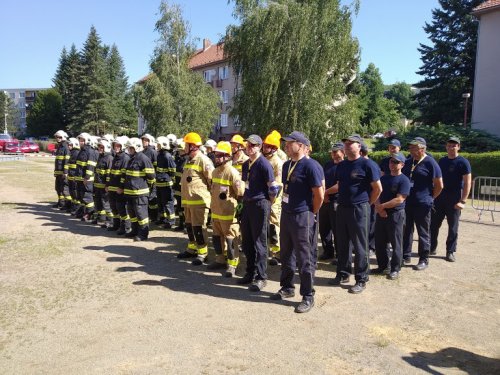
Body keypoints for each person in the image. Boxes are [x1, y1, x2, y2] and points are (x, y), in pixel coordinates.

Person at [270, 131, 324, 313]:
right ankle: (287, 287)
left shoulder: (311, 166)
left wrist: (311, 212)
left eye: (289, 142)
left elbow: (319, 195)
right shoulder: (287, 165)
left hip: (303, 216)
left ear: (300, 145)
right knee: (286, 253)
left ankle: (308, 295)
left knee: (305, 257)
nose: (285, 145)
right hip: (287, 213)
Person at [329, 134, 382, 294]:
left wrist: (367, 203)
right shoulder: (342, 165)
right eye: (346, 143)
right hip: (342, 207)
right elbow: (339, 185)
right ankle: (343, 273)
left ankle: (361, 278)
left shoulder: (368, 165)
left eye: (351, 143)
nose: (347, 145)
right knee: (343, 243)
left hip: (359, 208)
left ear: (359, 146)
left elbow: (378, 188)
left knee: (360, 245)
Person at [237, 134, 276, 292]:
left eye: (253, 145)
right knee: (247, 241)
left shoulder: (264, 164)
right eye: (248, 145)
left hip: (260, 204)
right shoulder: (246, 164)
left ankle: (261, 277)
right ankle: (250, 272)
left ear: (260, 147)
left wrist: (267, 204)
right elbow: (246, 184)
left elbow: (273, 188)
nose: (250, 148)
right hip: (248, 203)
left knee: (260, 242)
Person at [402, 137, 443, 270]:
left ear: (422, 148)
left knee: (423, 231)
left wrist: (430, 198)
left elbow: (439, 185)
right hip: (408, 202)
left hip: (423, 203)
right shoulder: (408, 162)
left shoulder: (430, 163)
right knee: (406, 229)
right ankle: (405, 255)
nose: (411, 149)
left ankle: (423, 259)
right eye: (410, 147)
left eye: (414, 147)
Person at [206, 141, 245, 277]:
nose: (217, 158)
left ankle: (232, 264)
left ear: (227, 156)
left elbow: (240, 192)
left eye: (220, 155)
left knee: (230, 239)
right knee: (217, 237)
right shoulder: (215, 171)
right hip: (216, 212)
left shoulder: (232, 172)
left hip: (228, 213)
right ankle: (220, 260)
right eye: (216, 155)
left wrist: (239, 210)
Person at [430, 136, 471, 262]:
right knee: (433, 225)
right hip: (440, 198)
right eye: (449, 145)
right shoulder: (442, 161)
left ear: (458, 147)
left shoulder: (463, 162)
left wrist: (463, 201)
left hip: (454, 199)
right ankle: (431, 247)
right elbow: (436, 180)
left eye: (454, 145)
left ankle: (450, 251)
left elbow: (468, 182)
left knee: (453, 227)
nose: (451, 147)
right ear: (446, 147)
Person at [177, 132, 214, 265]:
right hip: (188, 201)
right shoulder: (188, 160)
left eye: (186, 144)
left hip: (199, 202)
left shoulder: (203, 160)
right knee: (189, 226)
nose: (184, 147)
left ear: (193, 146)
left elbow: (212, 181)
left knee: (198, 228)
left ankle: (202, 253)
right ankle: (192, 249)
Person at [374, 152, 411, 280]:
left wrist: (382, 207)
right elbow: (377, 193)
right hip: (381, 214)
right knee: (380, 241)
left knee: (396, 243)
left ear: (402, 164)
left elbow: (400, 199)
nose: (392, 164)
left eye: (396, 162)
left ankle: (395, 268)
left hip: (395, 214)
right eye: (391, 161)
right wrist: (379, 208)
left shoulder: (404, 180)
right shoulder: (384, 178)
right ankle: (382, 266)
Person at [118, 137, 156, 242]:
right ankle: (134, 230)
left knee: (141, 214)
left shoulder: (143, 158)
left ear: (137, 148)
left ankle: (143, 234)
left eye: (131, 148)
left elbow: (151, 176)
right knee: (132, 213)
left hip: (140, 193)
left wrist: (149, 190)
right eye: (129, 148)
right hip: (130, 193)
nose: (129, 150)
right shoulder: (131, 158)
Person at [318, 142, 344, 262]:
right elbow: (321, 180)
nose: (333, 153)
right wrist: (323, 194)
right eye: (332, 151)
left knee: (337, 229)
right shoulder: (328, 165)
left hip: (337, 200)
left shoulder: (344, 165)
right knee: (324, 228)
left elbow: (340, 185)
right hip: (325, 199)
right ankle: (328, 251)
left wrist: (325, 193)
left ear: (342, 152)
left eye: (336, 151)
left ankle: (340, 255)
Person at [262, 130, 284, 266]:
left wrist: (272, 199)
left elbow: (278, 184)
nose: (265, 148)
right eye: (264, 145)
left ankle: (277, 253)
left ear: (274, 148)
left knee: (273, 225)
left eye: (268, 146)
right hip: (263, 196)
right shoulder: (263, 159)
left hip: (274, 198)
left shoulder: (277, 162)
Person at [106, 136, 131, 234]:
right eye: (114, 145)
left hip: (120, 189)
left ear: (123, 146)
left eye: (118, 145)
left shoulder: (125, 158)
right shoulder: (115, 157)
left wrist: (121, 187)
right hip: (112, 188)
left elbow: (124, 175)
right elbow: (111, 173)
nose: (116, 147)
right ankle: (116, 225)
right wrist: (107, 184)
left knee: (122, 208)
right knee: (114, 207)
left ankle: (125, 227)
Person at [74, 133, 98, 221]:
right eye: (80, 140)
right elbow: (79, 166)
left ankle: (89, 214)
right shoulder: (82, 150)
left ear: (86, 141)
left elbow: (90, 166)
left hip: (87, 179)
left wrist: (86, 177)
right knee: (81, 197)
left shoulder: (90, 151)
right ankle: (84, 212)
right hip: (80, 178)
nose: (80, 142)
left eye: (82, 140)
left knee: (88, 197)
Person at [155, 136, 177, 228]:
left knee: (168, 203)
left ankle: (171, 221)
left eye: (158, 144)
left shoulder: (167, 156)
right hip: (159, 183)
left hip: (166, 184)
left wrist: (166, 177)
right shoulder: (159, 155)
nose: (157, 146)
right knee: (160, 202)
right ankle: (162, 218)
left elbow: (172, 170)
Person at [93, 139, 113, 227]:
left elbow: (109, 173)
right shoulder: (100, 157)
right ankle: (101, 219)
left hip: (104, 186)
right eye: (99, 147)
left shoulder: (109, 158)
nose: (99, 149)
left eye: (101, 147)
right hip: (98, 185)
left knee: (106, 204)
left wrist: (107, 185)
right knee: (99, 203)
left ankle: (110, 221)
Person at [141, 134, 159, 224]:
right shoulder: (143, 151)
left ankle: (154, 217)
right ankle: (149, 215)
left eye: (146, 140)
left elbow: (156, 166)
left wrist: (154, 178)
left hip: (152, 179)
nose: (144, 142)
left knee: (152, 199)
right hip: (144, 179)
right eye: (143, 140)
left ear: (150, 141)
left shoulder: (152, 152)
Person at [173, 139, 188, 231]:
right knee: (179, 206)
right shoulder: (179, 159)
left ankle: (187, 224)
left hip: (184, 187)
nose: (179, 152)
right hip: (178, 187)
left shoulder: (187, 160)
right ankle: (181, 224)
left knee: (185, 207)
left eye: (180, 150)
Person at [53, 130, 70, 209]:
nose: (58, 138)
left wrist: (65, 172)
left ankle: (67, 205)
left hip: (63, 173)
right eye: (57, 137)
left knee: (64, 189)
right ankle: (61, 203)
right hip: (58, 172)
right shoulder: (59, 146)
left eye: (59, 137)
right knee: (58, 188)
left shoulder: (65, 147)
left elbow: (67, 161)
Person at [66, 137, 80, 214]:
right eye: (68, 145)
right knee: (72, 192)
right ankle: (73, 206)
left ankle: (76, 208)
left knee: (75, 193)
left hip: (74, 176)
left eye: (70, 145)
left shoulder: (76, 153)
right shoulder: (72, 152)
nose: (69, 146)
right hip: (71, 176)